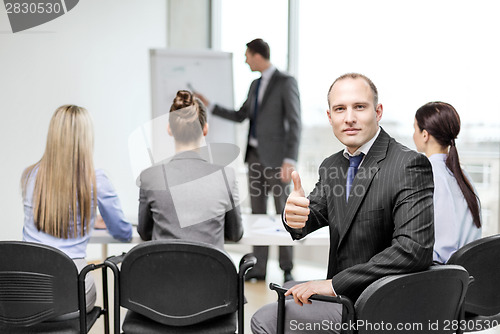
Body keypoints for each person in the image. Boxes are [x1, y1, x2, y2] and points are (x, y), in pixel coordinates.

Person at [251, 73, 435, 333]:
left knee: (265, 319)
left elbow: (413, 250)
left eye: (359, 107)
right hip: (343, 300)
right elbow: (307, 217)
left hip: (383, 303)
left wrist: (333, 284)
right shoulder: (332, 166)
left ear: (378, 111)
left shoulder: (407, 164)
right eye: (340, 109)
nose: (349, 118)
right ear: (330, 118)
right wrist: (291, 215)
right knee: (283, 299)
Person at [195, 38, 301, 282]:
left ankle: (287, 268)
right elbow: (242, 115)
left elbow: (295, 122)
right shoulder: (254, 85)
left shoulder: (286, 82)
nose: (245, 60)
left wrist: (289, 159)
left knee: (285, 213)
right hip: (253, 159)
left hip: (277, 161)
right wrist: (210, 105)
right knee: (257, 214)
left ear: (257, 55)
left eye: (247, 56)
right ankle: (260, 268)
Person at [21, 105, 132, 318]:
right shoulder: (96, 179)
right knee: (89, 282)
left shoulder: (29, 176)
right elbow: (123, 232)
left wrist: (88, 219)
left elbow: (49, 215)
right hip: (70, 294)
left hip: (27, 293)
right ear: (86, 138)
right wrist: (97, 220)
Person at [137, 90, 243, 250]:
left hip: (162, 272)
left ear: (169, 129)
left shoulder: (149, 177)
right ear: (205, 129)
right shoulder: (226, 176)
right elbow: (235, 234)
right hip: (212, 274)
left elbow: (144, 233)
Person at [413, 101, 481, 263]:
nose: (413, 135)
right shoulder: (463, 175)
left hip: (441, 276)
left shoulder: (429, 173)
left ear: (425, 135)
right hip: (464, 275)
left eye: (414, 128)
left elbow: (443, 249)